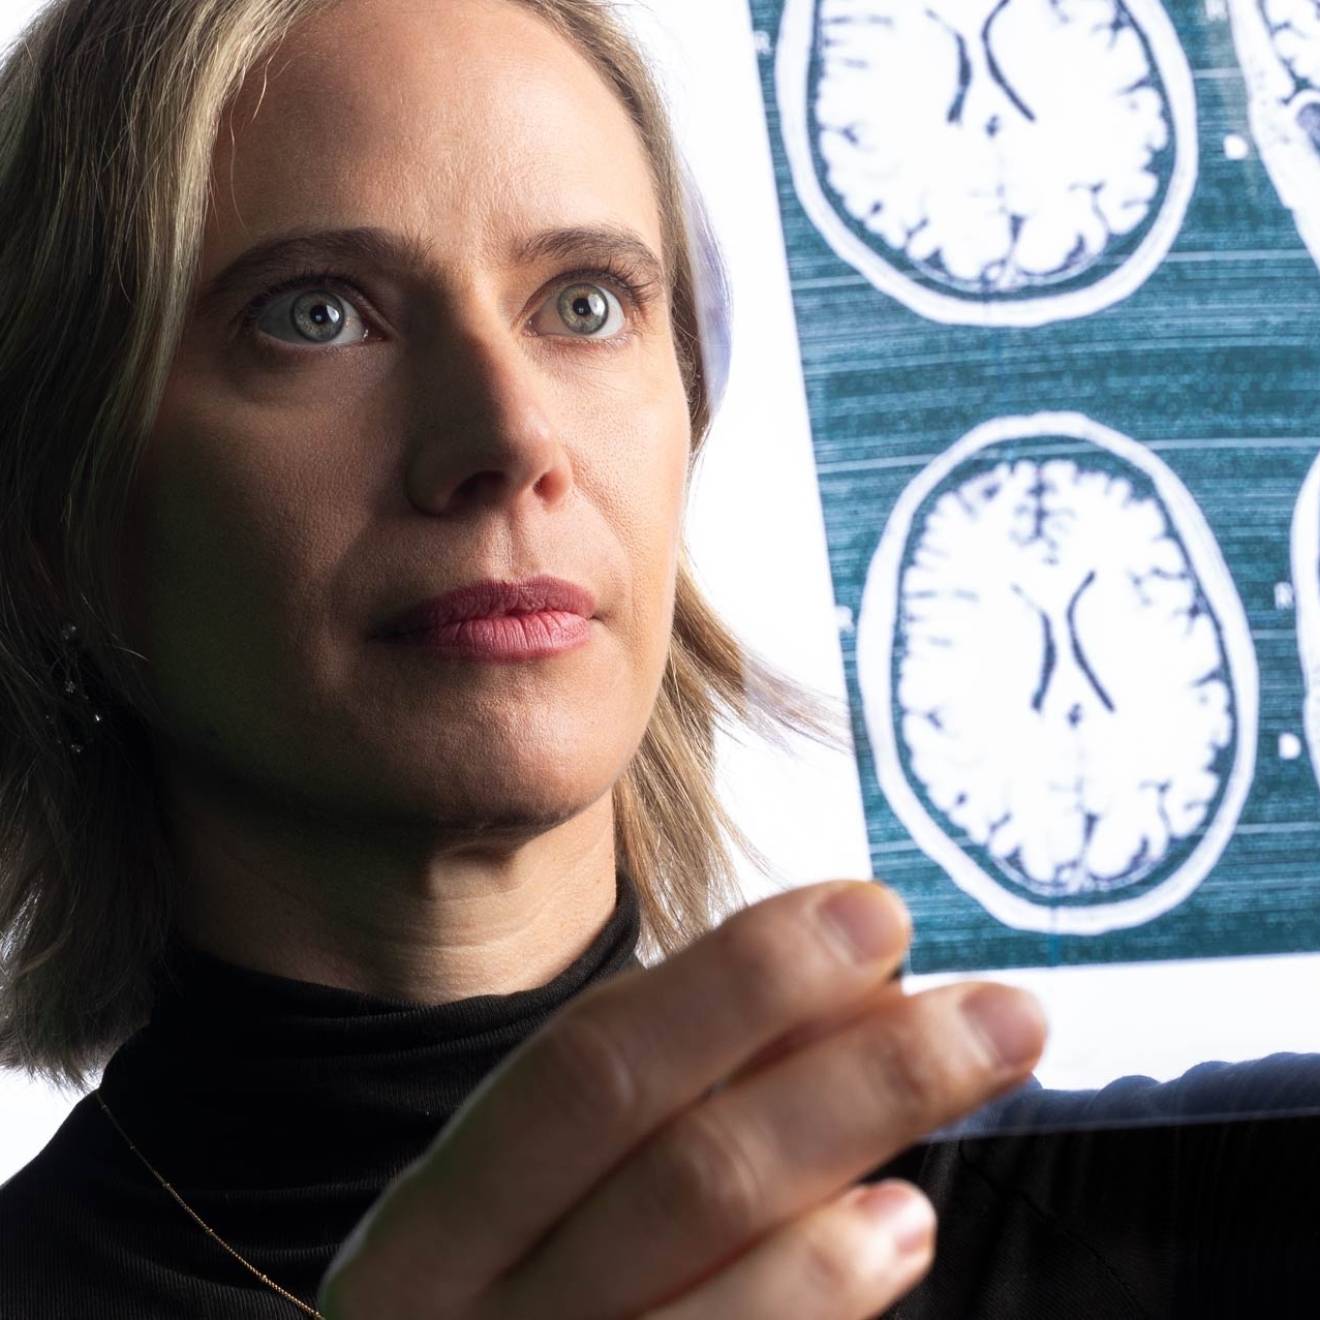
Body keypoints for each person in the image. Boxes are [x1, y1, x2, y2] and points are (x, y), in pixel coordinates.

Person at [0, 1, 1313, 1317]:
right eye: (318, 316)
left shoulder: (1196, 1229)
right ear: (61, 510)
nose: (510, 436)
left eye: (585, 303)